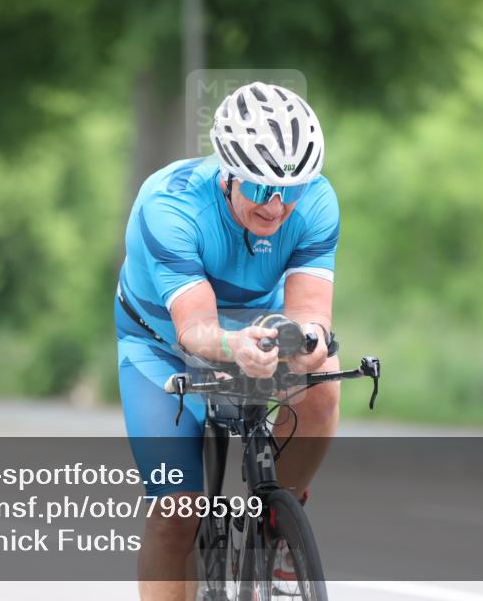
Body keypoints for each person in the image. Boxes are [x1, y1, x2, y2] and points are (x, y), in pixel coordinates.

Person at [116, 82, 340, 600]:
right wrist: (236, 347)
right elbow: (195, 331)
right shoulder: (169, 206)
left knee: (323, 386)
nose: (278, 206)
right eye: (262, 189)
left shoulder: (317, 203)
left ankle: (279, 531)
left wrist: (308, 341)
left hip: (258, 323)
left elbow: (311, 313)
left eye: (293, 189)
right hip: (161, 341)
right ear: (229, 174)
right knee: (177, 513)